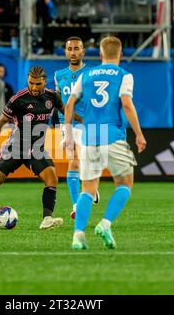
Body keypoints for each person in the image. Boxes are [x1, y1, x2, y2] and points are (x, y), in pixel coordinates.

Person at [0, 66, 79, 230]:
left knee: (52, 178)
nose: (34, 87)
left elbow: (67, 111)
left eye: (38, 84)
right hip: (15, 147)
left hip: (36, 149)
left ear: (44, 82)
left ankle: (47, 219)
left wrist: (85, 120)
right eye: (31, 83)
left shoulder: (52, 97)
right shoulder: (18, 99)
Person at [64, 36, 147, 250]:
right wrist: (139, 134)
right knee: (125, 184)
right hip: (113, 135)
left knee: (88, 190)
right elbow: (127, 105)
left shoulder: (86, 75)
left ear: (100, 55)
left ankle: (78, 235)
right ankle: (105, 223)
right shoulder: (124, 75)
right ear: (121, 55)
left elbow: (69, 104)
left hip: (90, 136)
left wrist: (70, 136)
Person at [54, 36, 99, 220]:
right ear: (65, 52)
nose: (73, 52)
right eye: (69, 49)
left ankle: (91, 188)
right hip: (68, 124)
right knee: (73, 160)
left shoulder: (91, 73)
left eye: (76, 49)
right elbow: (57, 101)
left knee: (86, 162)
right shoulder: (59, 75)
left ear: (83, 52)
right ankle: (76, 206)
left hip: (87, 123)